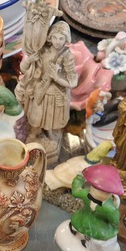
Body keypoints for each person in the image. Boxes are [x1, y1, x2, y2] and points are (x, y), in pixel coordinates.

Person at [18, 21, 77, 161]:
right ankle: (33, 133)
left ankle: (51, 137)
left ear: (66, 39)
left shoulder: (67, 56)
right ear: (50, 37)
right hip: (39, 90)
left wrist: (57, 77)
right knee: (35, 117)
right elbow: (24, 69)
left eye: (61, 38)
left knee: (53, 122)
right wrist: (29, 60)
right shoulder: (42, 51)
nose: (57, 41)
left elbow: (73, 82)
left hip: (56, 94)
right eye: (55, 37)